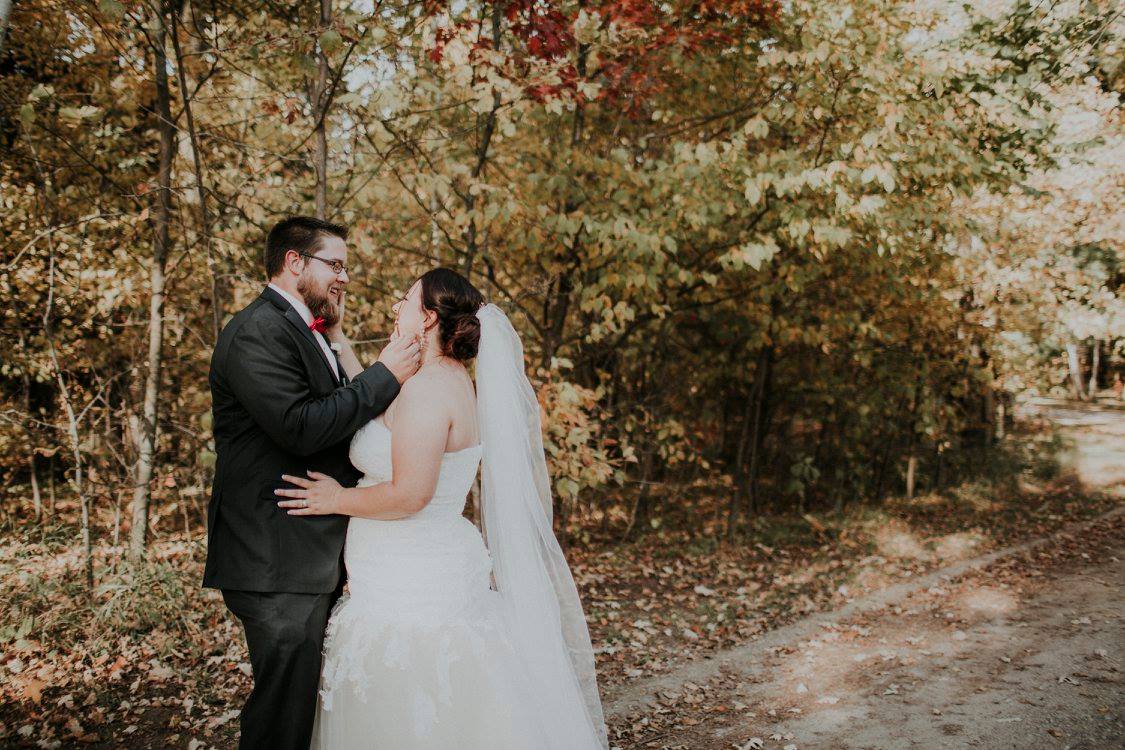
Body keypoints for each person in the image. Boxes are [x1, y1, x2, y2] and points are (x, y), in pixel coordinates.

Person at [274, 268, 609, 748]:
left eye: (406, 300)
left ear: (429, 317)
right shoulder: (432, 379)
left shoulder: (430, 391)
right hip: (407, 566)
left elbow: (410, 494)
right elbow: (376, 405)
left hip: (413, 578)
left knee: (413, 699)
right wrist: (340, 341)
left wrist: (335, 499)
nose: (396, 308)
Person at [204, 216, 421, 750]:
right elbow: (300, 427)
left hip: (305, 554)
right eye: (335, 265)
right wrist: (386, 374)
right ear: (294, 262)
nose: (344, 277)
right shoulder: (259, 331)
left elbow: (345, 416)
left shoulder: (306, 329)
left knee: (301, 707)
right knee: (281, 717)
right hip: (275, 557)